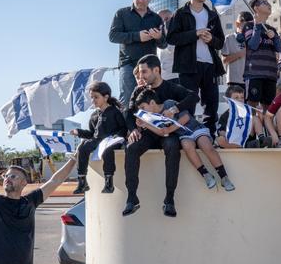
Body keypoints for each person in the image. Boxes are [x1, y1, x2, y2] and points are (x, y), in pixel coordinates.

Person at [123, 54, 199, 217]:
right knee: (131, 148)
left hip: (168, 134)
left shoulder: (172, 87)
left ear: (156, 70)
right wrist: (133, 129)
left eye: (144, 72)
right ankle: (132, 198)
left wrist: (175, 109)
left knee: (172, 147)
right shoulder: (139, 90)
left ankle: (169, 200)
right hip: (148, 134)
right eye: (140, 73)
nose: (141, 76)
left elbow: (193, 96)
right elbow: (129, 112)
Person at [136, 89, 235, 192]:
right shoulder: (153, 119)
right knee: (187, 147)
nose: (142, 112)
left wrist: (169, 129)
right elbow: (162, 132)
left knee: (206, 145)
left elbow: (186, 118)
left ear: (152, 102)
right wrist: (146, 124)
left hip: (195, 128)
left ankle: (224, 177)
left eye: (143, 108)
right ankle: (205, 174)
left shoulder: (168, 104)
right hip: (184, 135)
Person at [167, 0, 225, 137]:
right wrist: (195, 33)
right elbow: (171, 38)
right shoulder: (180, 13)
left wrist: (211, 39)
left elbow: (220, 42)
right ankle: (187, 135)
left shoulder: (213, 15)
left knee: (211, 104)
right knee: (188, 103)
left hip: (210, 65)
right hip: (188, 66)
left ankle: (210, 136)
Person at [109, 0, 166, 106]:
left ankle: (148, 126)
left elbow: (163, 44)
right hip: (128, 64)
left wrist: (159, 37)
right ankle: (128, 126)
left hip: (150, 67)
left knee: (152, 100)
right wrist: (137, 36)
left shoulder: (156, 19)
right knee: (128, 100)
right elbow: (113, 36)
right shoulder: (121, 14)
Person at [70, 81, 127, 194]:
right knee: (83, 148)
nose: (93, 100)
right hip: (98, 140)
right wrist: (78, 132)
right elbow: (91, 133)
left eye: (96, 97)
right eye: (92, 97)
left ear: (106, 97)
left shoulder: (115, 112)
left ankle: (109, 184)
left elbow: (123, 128)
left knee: (107, 150)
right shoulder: (94, 115)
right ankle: (82, 182)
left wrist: (116, 137)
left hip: (112, 140)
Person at [243, 0, 281, 111]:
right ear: (256, 8)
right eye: (264, 3)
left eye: (268, 2)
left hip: (270, 74)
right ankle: (253, 128)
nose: (268, 4)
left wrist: (275, 37)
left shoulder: (272, 29)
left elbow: (279, 48)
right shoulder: (249, 26)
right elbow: (253, 45)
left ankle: (266, 128)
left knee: (269, 107)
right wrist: (258, 26)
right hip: (254, 74)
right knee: (252, 105)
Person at [221, 11, 253, 89]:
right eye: (246, 26)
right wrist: (241, 53)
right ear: (237, 24)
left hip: (251, 80)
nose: (249, 28)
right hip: (234, 80)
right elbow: (224, 60)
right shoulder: (229, 38)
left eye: (251, 26)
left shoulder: (253, 40)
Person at [156, 9, 179, 84]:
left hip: (177, 76)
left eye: (166, 19)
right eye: (160, 21)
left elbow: (172, 49)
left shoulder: (179, 31)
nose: (164, 23)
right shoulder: (157, 37)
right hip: (163, 79)